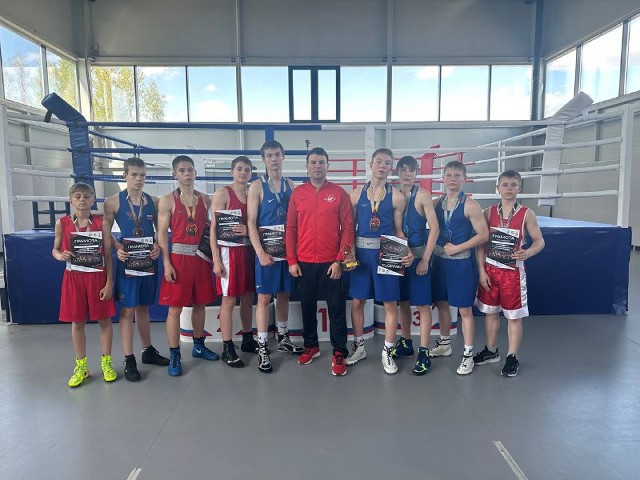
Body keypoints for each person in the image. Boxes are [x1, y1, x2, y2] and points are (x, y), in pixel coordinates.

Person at [286, 147, 354, 376]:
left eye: (321, 162)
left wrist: (339, 261)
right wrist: (292, 260)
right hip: (304, 263)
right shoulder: (298, 194)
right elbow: (291, 228)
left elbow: (348, 229)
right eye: (313, 162)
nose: (317, 166)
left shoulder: (339, 193)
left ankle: (339, 351)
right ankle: (311, 346)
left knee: (336, 309)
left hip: (331, 263)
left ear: (328, 166)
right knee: (307, 307)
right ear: (307, 167)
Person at [346, 148, 413, 375]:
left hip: (388, 251)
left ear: (391, 167)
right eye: (379, 162)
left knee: (390, 304)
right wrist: (348, 253)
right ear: (371, 164)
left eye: (387, 163)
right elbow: (349, 229)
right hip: (361, 252)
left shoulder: (397, 197)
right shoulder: (356, 194)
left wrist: (407, 250)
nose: (382, 166)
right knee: (357, 301)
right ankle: (359, 346)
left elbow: (398, 230)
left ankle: (388, 351)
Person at [103, 157, 169, 382]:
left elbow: (161, 231)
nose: (139, 179)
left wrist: (157, 246)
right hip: (127, 261)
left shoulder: (154, 201)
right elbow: (105, 232)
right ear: (125, 175)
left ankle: (147, 350)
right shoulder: (113, 202)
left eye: (142, 175)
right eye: (134, 174)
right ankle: (129, 358)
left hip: (148, 261)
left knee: (143, 308)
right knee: (127, 310)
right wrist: (117, 247)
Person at [474, 170, 545, 377]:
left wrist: (528, 252)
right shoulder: (488, 213)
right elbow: (480, 244)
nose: (509, 189)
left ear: (519, 188)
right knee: (490, 312)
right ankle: (491, 350)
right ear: (497, 187)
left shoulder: (527, 214)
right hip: (490, 270)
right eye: (505, 184)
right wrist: (481, 271)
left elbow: (540, 241)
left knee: (513, 316)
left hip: (512, 273)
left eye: (513, 185)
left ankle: (512, 356)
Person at [158, 155, 218, 376]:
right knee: (175, 309)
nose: (187, 174)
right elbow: (161, 234)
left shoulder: (205, 199)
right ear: (175, 174)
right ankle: (174, 354)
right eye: (182, 170)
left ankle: (199, 345)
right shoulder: (167, 200)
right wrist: (166, 263)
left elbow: (214, 224)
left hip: (201, 258)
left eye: (190, 170)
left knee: (200, 304)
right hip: (179, 258)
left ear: (195, 173)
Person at [52, 182, 117, 387]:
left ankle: (106, 363)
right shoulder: (62, 223)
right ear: (71, 200)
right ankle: (81, 366)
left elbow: (108, 255)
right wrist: (60, 255)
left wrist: (109, 282)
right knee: (77, 322)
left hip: (97, 276)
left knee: (104, 320)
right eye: (78, 196)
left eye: (87, 196)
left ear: (93, 200)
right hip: (73, 277)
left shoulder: (101, 221)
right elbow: (55, 249)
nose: (82, 200)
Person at [247, 140, 304, 374]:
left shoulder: (291, 185)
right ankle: (262, 346)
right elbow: (251, 222)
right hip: (267, 252)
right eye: (269, 155)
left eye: (277, 154)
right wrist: (260, 253)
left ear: (283, 156)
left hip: (287, 251)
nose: (273, 159)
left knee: (284, 294)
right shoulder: (257, 186)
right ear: (263, 159)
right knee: (263, 298)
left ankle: (283, 337)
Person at [431, 160, 489, 375]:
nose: (452, 179)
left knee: (464, 310)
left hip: (461, 263)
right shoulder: (436, 203)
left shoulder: (470, 205)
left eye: (457, 175)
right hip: (439, 262)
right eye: (448, 175)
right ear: (443, 178)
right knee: (441, 303)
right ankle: (445, 343)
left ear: (464, 178)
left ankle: (467, 354)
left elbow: (484, 234)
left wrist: (459, 247)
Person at [390, 156, 440, 375]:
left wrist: (426, 259)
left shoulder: (423, 195)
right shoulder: (393, 195)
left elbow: (435, 228)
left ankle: (424, 351)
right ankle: (406, 342)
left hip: (419, 255)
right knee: (402, 302)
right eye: (403, 170)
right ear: (398, 173)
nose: (407, 174)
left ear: (416, 173)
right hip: (399, 255)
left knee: (422, 305)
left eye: (411, 170)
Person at [210, 156, 259, 368]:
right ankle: (227, 347)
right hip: (229, 253)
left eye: (247, 169)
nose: (243, 173)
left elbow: (255, 225)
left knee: (248, 298)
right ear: (232, 171)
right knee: (229, 300)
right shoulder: (223, 193)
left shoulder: (253, 194)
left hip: (249, 250)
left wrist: (249, 232)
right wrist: (215, 259)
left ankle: (247, 338)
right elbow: (213, 229)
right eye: (239, 169)